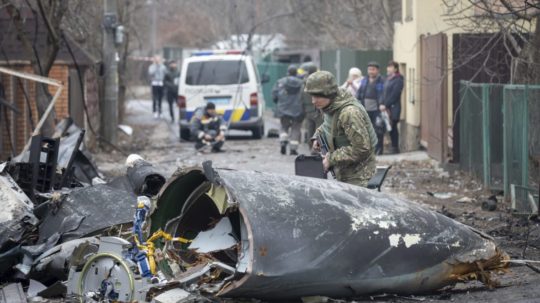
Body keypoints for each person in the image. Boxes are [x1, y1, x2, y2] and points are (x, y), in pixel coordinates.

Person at [305, 71, 377, 187]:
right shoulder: (331, 106)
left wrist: (330, 159)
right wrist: (317, 136)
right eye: (312, 96)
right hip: (345, 173)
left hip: (359, 177)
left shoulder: (349, 113)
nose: (313, 101)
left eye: (317, 96)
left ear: (328, 93)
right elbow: (329, 125)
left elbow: (361, 149)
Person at [272, 65, 304, 155]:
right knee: (296, 128)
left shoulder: (280, 82)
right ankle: (293, 149)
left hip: (283, 108)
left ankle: (283, 140)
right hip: (298, 110)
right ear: (296, 73)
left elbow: (274, 95)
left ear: (288, 72)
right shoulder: (301, 83)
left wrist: (278, 102)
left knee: (284, 126)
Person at [356, 61, 384, 155]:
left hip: (377, 109)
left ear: (377, 70)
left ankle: (379, 149)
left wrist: (382, 104)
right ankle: (369, 150)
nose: (371, 71)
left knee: (378, 130)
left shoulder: (381, 80)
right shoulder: (365, 80)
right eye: (369, 69)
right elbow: (359, 93)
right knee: (366, 130)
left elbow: (383, 94)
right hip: (365, 109)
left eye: (373, 69)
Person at [380, 60, 404, 154]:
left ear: (395, 69)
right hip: (385, 108)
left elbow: (395, 94)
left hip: (394, 108)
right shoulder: (388, 79)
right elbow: (383, 92)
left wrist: (386, 104)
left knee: (393, 127)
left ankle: (395, 147)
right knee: (388, 128)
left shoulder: (399, 79)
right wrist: (381, 103)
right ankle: (390, 146)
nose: (388, 68)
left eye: (390, 67)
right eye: (388, 66)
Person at [299, 62, 323, 153]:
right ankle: (316, 148)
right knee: (319, 129)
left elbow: (301, 97)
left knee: (310, 129)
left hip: (308, 110)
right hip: (318, 109)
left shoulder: (304, 83)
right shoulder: (318, 82)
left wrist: (303, 109)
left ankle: (310, 147)